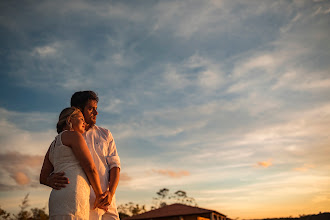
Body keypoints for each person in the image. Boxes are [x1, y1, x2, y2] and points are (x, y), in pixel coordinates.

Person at [42, 91, 121, 220]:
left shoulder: (105, 134)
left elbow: (115, 166)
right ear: (77, 110)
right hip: (81, 200)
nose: (96, 113)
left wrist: (110, 194)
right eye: (91, 109)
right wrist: (49, 180)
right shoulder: (70, 136)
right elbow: (89, 167)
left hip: (106, 201)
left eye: (96, 109)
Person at [40, 107, 107, 219]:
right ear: (69, 120)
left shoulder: (53, 145)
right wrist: (99, 195)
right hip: (74, 195)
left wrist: (49, 180)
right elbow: (90, 167)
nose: (84, 122)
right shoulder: (74, 135)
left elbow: (43, 178)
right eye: (81, 118)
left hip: (56, 199)